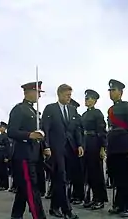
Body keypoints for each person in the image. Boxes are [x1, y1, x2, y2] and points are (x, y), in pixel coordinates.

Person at [8, 81, 49, 219]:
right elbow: (11, 131)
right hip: (23, 155)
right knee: (31, 188)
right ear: (28, 92)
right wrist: (29, 135)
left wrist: (45, 147)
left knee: (23, 188)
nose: (39, 96)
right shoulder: (19, 109)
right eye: (37, 92)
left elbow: (39, 133)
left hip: (35, 154)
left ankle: (16, 215)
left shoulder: (35, 112)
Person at [42, 84, 83, 219]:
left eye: (70, 95)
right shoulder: (50, 109)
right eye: (67, 95)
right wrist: (46, 146)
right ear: (59, 94)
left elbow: (76, 129)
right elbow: (45, 129)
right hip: (55, 149)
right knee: (62, 178)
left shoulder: (72, 110)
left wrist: (80, 145)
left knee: (59, 179)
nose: (69, 98)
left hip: (70, 149)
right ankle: (67, 210)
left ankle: (54, 208)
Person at [106, 79, 128, 217]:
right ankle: (119, 204)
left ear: (121, 92)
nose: (111, 93)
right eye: (110, 90)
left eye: (114, 90)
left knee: (126, 179)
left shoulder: (126, 106)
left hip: (124, 146)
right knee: (116, 179)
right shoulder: (111, 109)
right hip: (113, 147)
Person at [81, 90, 108, 210]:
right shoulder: (84, 115)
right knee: (88, 173)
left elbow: (102, 132)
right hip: (86, 144)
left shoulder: (98, 113)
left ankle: (100, 199)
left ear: (95, 100)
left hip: (95, 144)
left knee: (97, 173)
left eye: (89, 98)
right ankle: (91, 198)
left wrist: (102, 148)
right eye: (86, 98)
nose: (87, 100)